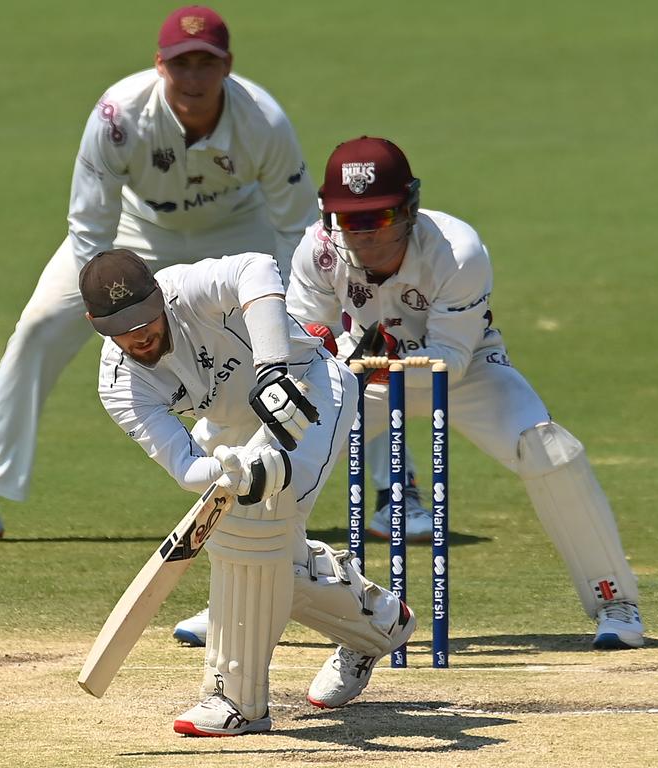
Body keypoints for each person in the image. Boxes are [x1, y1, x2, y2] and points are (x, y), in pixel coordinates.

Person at [0, 5, 317, 545]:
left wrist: (304, 308)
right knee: (39, 325)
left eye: (207, 63)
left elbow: (299, 227)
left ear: (228, 66)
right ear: (160, 64)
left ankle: (394, 489)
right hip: (135, 233)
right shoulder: (118, 116)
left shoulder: (263, 120)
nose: (194, 78)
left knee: (316, 338)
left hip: (234, 230)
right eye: (183, 64)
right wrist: (108, 310)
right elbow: (89, 226)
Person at [286, 136, 646, 649]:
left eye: (379, 218)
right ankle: (254, 595)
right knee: (277, 456)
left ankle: (615, 600)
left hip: (465, 371)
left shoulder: (457, 250)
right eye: (350, 220)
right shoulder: (317, 252)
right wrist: (344, 359)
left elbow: (449, 361)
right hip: (361, 376)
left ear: (409, 209)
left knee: (550, 451)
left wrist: (373, 354)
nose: (363, 236)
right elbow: (307, 344)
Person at [78, 248, 415, 734]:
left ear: (158, 295)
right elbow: (184, 467)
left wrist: (272, 368)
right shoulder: (119, 384)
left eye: (145, 318)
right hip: (230, 432)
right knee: (252, 545)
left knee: (254, 531)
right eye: (122, 329)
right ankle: (377, 622)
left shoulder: (185, 288)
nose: (140, 334)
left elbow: (257, 267)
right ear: (95, 323)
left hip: (310, 388)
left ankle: (237, 702)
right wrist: (225, 470)